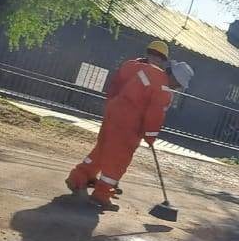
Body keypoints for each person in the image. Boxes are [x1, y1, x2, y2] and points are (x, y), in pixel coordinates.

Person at [66, 52, 193, 211]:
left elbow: (126, 68)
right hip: (128, 125)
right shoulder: (163, 90)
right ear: (174, 77)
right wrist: (151, 136)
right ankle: (102, 195)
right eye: (179, 84)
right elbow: (154, 115)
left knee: (102, 150)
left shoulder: (148, 69)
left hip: (114, 112)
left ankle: (77, 177)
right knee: (118, 160)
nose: (177, 87)